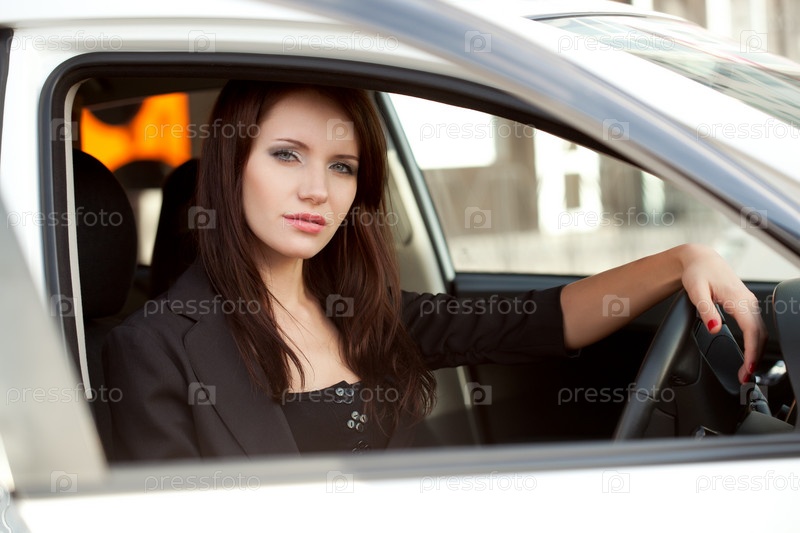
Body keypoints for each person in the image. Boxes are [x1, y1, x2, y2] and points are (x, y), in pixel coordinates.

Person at [104, 80, 767, 461]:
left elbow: (540, 320)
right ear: (232, 166)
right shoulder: (153, 348)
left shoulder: (364, 312)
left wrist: (685, 259)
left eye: (342, 166)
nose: (317, 190)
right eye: (286, 155)